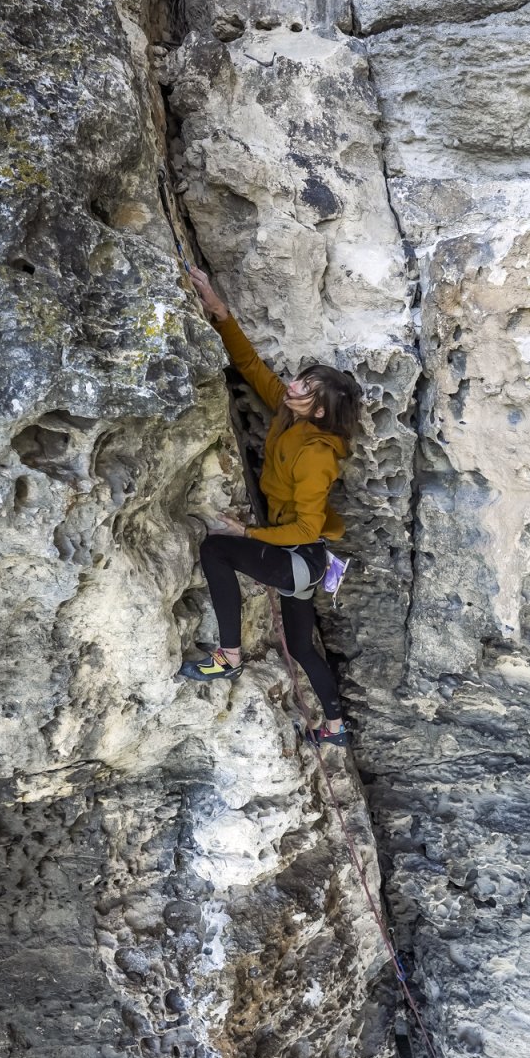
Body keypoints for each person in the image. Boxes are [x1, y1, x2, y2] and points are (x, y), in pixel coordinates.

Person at [179, 264, 361, 747]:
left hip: (298, 556)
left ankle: (229, 657)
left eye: (304, 387)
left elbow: (304, 528)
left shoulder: (318, 455)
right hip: (303, 559)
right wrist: (220, 314)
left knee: (216, 551)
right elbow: (253, 369)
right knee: (300, 645)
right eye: (300, 380)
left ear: (319, 410)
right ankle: (336, 729)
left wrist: (248, 535)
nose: (293, 386)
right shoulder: (290, 414)